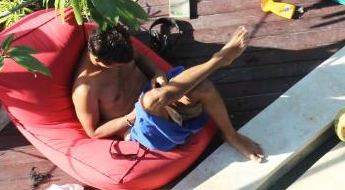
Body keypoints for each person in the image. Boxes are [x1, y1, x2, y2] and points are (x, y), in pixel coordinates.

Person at [71, 25, 265, 161]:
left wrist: (156, 73)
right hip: (141, 127)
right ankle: (218, 61)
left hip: (162, 97)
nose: (126, 65)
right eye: (120, 65)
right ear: (100, 61)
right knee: (148, 101)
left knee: (202, 86)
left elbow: (140, 57)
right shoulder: (85, 90)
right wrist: (131, 117)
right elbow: (94, 132)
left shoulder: (117, 47)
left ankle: (231, 135)